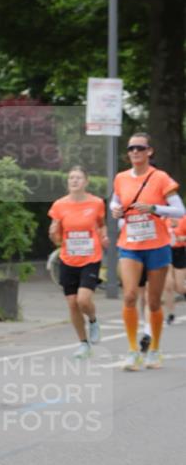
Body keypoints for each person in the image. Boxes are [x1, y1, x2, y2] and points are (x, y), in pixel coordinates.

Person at [110, 133, 184, 370]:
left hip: (157, 246)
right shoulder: (121, 178)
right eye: (131, 148)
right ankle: (133, 351)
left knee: (153, 302)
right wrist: (116, 210)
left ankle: (155, 350)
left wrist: (153, 208)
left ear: (149, 151)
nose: (135, 152)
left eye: (140, 148)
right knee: (130, 295)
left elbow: (180, 211)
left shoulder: (160, 178)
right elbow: (115, 202)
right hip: (130, 245)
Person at [48, 166, 108, 357]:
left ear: (86, 181)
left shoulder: (96, 203)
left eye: (78, 178)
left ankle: (93, 320)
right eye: (71, 178)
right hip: (68, 258)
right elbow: (56, 238)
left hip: (90, 257)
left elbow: (101, 225)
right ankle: (83, 343)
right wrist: (53, 233)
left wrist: (104, 237)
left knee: (83, 299)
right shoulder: (59, 205)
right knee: (73, 303)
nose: (74, 181)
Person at [163, 214, 186, 324]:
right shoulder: (163, 218)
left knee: (179, 288)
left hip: (179, 252)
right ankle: (170, 314)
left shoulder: (183, 218)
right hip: (166, 252)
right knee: (168, 286)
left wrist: (183, 238)